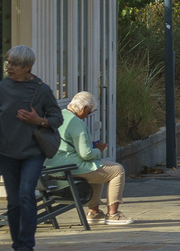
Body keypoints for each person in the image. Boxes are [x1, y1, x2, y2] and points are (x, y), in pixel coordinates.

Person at [0, 46, 64, 251]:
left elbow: (57, 118)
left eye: (15, 64)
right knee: (14, 202)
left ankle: (26, 247)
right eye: (8, 62)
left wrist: (40, 121)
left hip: (33, 153)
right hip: (6, 154)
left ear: (28, 67)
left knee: (26, 193)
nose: (9, 67)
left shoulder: (41, 90)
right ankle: (18, 246)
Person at [48, 91, 132, 225]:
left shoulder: (59, 116)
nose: (87, 116)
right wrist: (98, 150)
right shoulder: (76, 123)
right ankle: (113, 214)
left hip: (51, 166)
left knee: (97, 167)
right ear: (84, 108)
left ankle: (94, 213)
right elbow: (85, 154)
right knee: (117, 170)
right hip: (69, 167)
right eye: (89, 112)